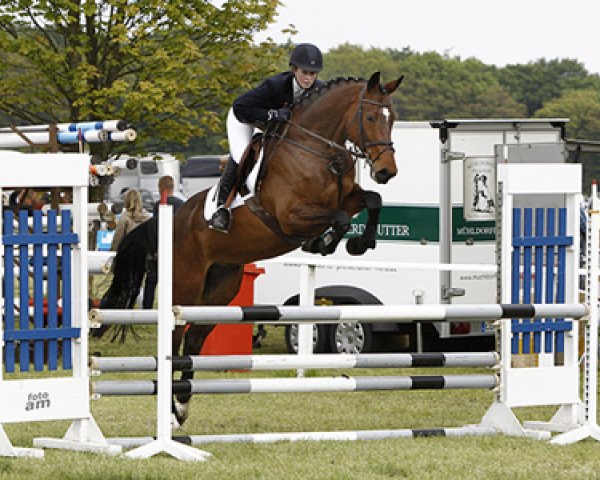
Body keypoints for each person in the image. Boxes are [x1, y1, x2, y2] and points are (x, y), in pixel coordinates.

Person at [208, 43, 324, 234]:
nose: (308, 78)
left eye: (313, 74)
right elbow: (240, 107)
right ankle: (221, 209)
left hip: (275, 129)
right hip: (245, 119)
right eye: (305, 72)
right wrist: (271, 114)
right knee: (241, 155)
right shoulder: (275, 85)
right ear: (294, 69)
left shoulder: (319, 91)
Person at [142, 175, 184, 309]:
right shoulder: (182, 204)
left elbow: (156, 229)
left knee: (151, 280)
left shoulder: (158, 205)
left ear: (161, 188)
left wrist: (155, 249)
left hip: (159, 248)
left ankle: (147, 308)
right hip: (177, 248)